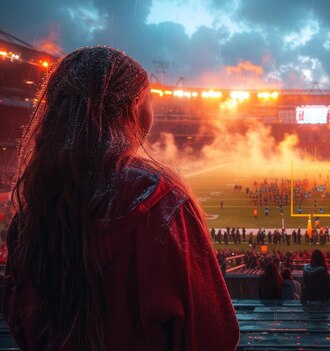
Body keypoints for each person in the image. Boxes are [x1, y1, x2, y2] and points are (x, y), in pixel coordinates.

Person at [1, 47, 239, 350]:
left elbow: (19, 321)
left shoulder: (31, 211)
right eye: (149, 99)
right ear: (132, 107)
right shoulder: (160, 199)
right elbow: (214, 334)